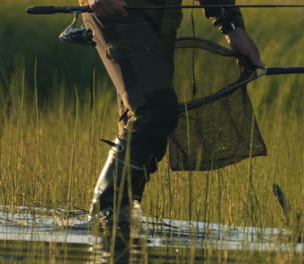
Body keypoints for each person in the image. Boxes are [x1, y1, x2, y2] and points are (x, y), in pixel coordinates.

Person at [80, 0, 264, 226]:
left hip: (163, 16)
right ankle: (106, 213)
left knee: (146, 122)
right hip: (117, 10)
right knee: (155, 110)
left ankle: (116, 220)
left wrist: (233, 28)